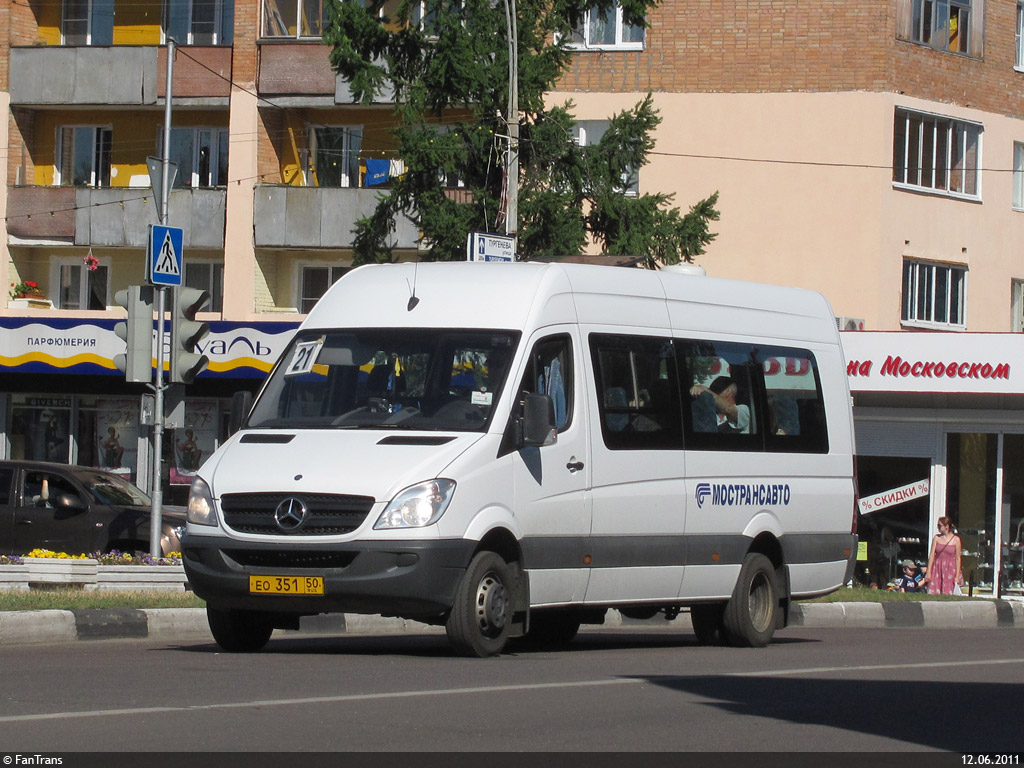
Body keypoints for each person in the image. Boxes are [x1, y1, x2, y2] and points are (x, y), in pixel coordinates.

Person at [921, 516, 963, 595]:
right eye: (938, 525)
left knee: (949, 592)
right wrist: (929, 572)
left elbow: (958, 558)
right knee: (934, 592)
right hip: (937, 567)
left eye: (940, 525)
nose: (938, 527)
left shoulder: (956, 540)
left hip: (950, 569)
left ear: (947, 526)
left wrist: (957, 576)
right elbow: (932, 555)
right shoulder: (937, 538)